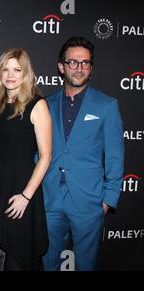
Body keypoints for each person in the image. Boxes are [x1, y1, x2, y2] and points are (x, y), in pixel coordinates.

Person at [42, 36, 124, 271]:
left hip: (89, 201)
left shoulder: (106, 105)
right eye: (73, 62)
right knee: (48, 264)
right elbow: (38, 152)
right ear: (61, 66)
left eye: (85, 63)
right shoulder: (45, 104)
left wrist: (108, 200)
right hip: (50, 199)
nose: (79, 68)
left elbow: (115, 156)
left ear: (91, 68)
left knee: (87, 265)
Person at [0, 48, 52, 270]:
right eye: (6, 69)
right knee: (2, 254)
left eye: (17, 70)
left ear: (26, 74)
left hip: (22, 189)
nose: (10, 75)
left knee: (18, 257)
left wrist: (26, 196)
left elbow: (45, 157)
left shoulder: (37, 104)